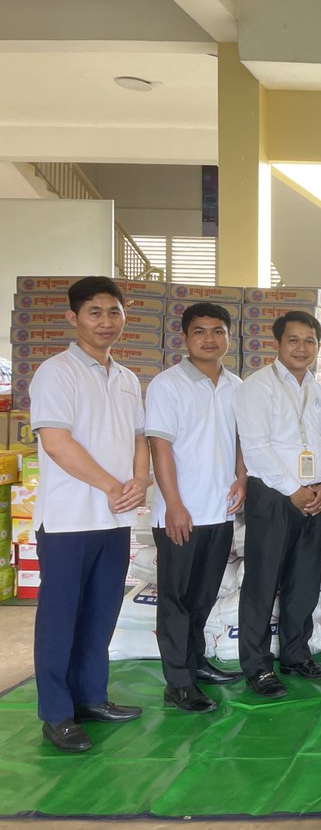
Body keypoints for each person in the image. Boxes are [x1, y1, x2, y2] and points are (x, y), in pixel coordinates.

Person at [29, 276, 149, 752]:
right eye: (95, 312)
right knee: (60, 620)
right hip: (68, 521)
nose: (106, 321)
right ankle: (57, 714)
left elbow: (139, 439)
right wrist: (112, 485)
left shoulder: (127, 378)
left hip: (114, 521)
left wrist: (139, 480)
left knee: (100, 616)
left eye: (113, 312)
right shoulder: (56, 372)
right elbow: (57, 443)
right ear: (73, 317)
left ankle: (91, 698)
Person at [145, 303, 246, 713]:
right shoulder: (167, 385)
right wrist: (174, 505)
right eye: (200, 331)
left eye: (218, 331)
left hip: (219, 510)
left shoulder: (237, 386)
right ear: (184, 338)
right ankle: (178, 682)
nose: (210, 339)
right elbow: (160, 447)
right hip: (180, 513)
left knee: (203, 595)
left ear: (229, 338)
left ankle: (196, 662)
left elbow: (240, 440)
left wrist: (241, 478)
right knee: (176, 598)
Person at [233, 311, 321, 699]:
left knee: (304, 581)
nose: (302, 348)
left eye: (310, 341)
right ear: (277, 343)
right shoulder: (256, 387)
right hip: (273, 496)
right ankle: (257, 667)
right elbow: (256, 447)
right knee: (262, 582)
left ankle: (295, 654)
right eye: (293, 340)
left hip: (314, 496)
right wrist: (293, 489)